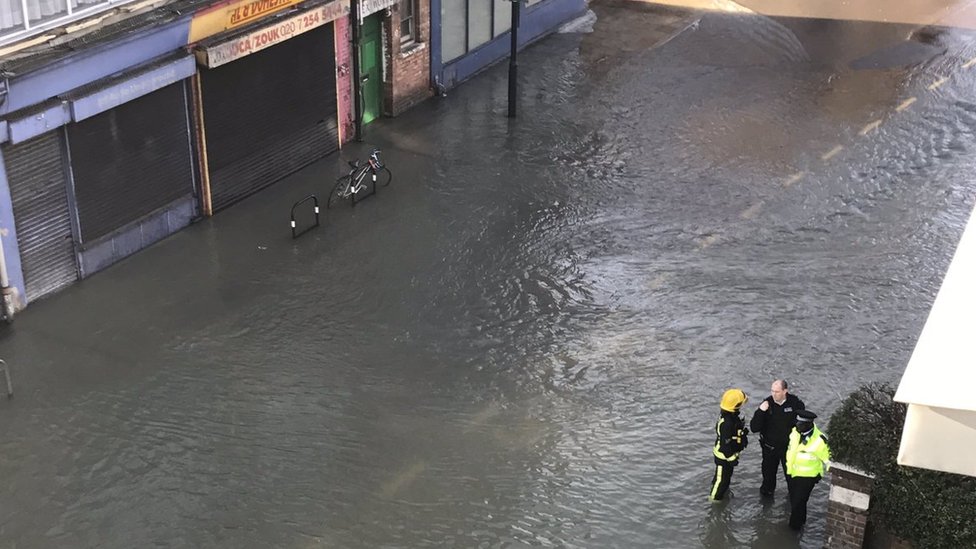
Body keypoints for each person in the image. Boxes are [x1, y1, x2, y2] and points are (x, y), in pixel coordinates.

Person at [750, 379, 805, 496]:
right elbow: (754, 428)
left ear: (785, 391)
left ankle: (793, 502)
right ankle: (765, 503)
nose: (774, 394)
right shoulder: (767, 404)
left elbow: (803, 424)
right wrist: (760, 411)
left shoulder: (795, 403)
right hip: (770, 448)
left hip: (789, 449)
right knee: (768, 479)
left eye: (777, 392)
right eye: (772, 391)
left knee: (792, 478)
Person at [785, 410, 831, 530]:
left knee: (797, 503)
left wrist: (831, 471)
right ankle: (802, 522)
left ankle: (793, 529)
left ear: (808, 424)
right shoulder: (795, 433)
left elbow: (828, 459)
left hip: (808, 477)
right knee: (798, 501)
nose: (797, 426)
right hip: (793, 473)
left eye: (800, 424)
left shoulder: (820, 440)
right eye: (797, 423)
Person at [710, 388, 749, 501]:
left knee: (725, 478)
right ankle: (714, 501)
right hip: (723, 457)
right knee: (720, 481)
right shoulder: (727, 423)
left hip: (728, 455)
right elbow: (725, 446)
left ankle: (721, 494)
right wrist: (732, 459)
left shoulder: (730, 418)